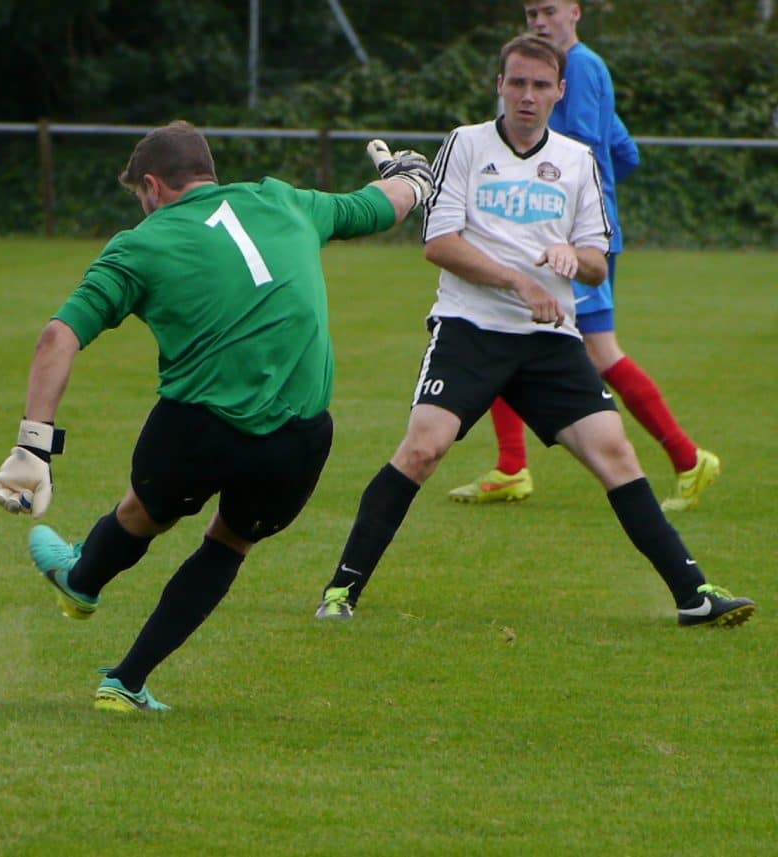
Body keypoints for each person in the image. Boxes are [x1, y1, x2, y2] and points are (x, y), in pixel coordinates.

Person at [0, 120, 433, 711]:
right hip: (297, 436)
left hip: (195, 429)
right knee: (230, 542)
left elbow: (57, 337)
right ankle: (126, 681)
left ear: (152, 186)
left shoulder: (139, 244)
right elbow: (381, 205)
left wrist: (34, 446)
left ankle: (82, 581)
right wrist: (414, 178)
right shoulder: (284, 200)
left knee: (143, 511)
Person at [314, 35, 755, 629]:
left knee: (616, 453)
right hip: (470, 328)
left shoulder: (577, 160)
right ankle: (341, 590)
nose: (527, 95)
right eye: (517, 82)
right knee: (423, 449)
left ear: (559, 92)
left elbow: (596, 260)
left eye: (540, 85)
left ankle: (693, 595)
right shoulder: (465, 144)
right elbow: (438, 244)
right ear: (500, 85)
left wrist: (574, 256)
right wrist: (519, 282)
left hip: (550, 340)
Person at [447, 0, 718, 512]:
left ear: (575, 12)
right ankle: (511, 466)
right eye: (531, 14)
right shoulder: (566, 70)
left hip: (575, 239)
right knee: (505, 322)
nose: (539, 22)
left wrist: (577, 205)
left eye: (548, 11)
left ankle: (687, 457)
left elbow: (587, 148)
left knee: (595, 351)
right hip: (557, 229)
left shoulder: (583, 67)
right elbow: (626, 151)